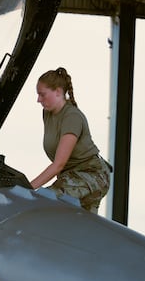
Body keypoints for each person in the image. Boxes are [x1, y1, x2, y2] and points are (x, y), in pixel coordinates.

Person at [31, 67, 111, 213]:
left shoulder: (72, 117)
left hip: (92, 175)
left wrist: (28, 189)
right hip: (70, 176)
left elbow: (59, 164)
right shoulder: (47, 113)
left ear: (58, 92)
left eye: (42, 95)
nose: (38, 100)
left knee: (43, 201)